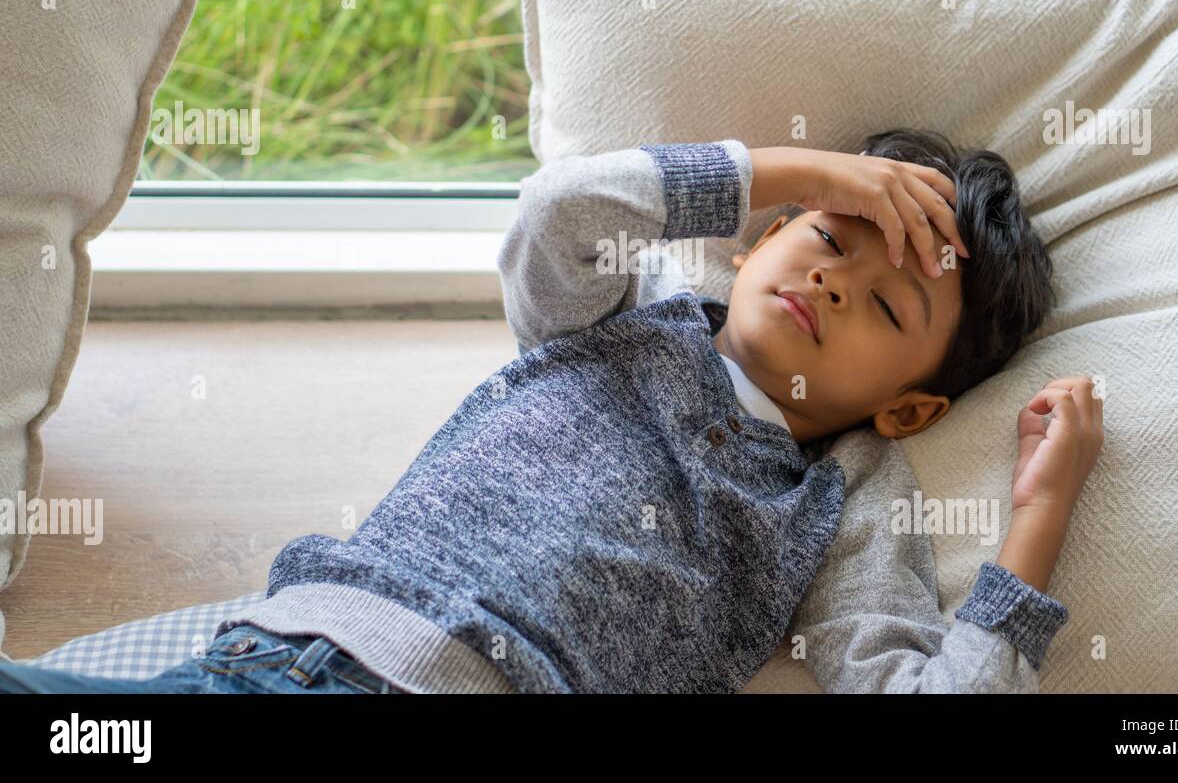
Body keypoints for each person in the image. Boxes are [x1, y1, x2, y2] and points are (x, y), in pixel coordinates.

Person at [0, 130, 1102, 694]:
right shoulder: (621, 313)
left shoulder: (845, 500)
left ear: (909, 410)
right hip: (294, 655)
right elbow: (556, 210)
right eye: (828, 233)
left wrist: (1039, 519)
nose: (832, 282)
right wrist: (798, 166)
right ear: (760, 237)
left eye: (889, 305)